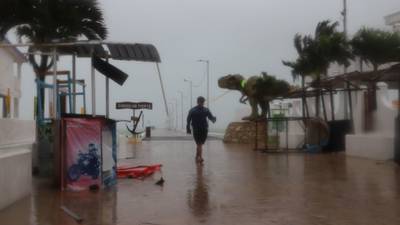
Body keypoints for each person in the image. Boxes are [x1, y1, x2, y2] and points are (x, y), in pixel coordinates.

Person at [186, 96, 216, 163]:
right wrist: (188, 128)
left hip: (204, 129)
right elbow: (188, 120)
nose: (202, 103)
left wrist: (214, 119)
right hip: (196, 129)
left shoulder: (206, 110)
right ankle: (200, 157)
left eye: (203, 102)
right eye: (201, 102)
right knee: (199, 144)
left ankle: (197, 156)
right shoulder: (192, 110)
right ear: (198, 102)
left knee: (200, 144)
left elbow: (211, 117)